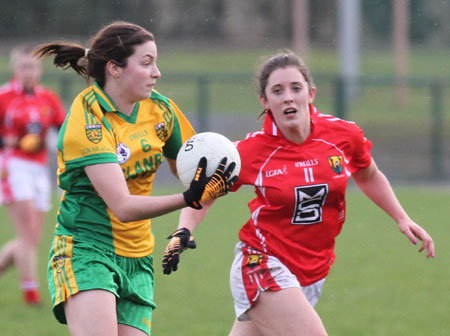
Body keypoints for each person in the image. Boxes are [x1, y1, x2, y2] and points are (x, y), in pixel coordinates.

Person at [162, 51, 435, 336]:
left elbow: (369, 175)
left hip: (312, 272)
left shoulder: (343, 136)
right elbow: (203, 197)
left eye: (296, 88)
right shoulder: (249, 152)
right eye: (277, 91)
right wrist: (183, 230)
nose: (288, 97)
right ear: (265, 102)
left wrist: (401, 218)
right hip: (261, 262)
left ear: (311, 93)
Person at [33, 21, 236, 336]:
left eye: (156, 62)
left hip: (139, 259)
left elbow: (201, 178)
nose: (157, 72)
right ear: (114, 68)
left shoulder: (161, 111)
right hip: (87, 250)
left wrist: (186, 226)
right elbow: (123, 206)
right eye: (147, 63)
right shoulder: (89, 118)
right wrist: (188, 198)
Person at [0, 45, 67, 305]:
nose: (28, 72)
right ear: (14, 69)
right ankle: (32, 294)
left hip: (39, 169)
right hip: (12, 166)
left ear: (39, 70)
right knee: (27, 231)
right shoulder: (4, 96)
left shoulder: (47, 98)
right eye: (23, 66)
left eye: (33, 67)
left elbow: (63, 130)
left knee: (31, 238)